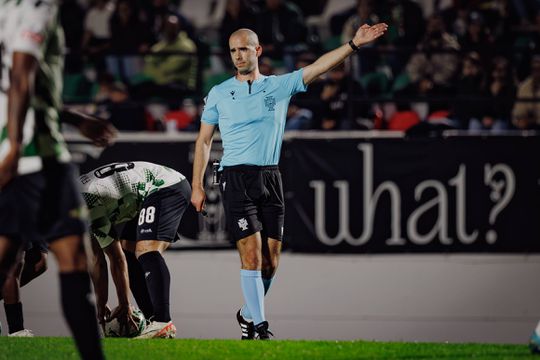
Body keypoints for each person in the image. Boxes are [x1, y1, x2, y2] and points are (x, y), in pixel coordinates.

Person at [191, 24, 387, 340]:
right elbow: (203, 141)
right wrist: (197, 185)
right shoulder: (218, 93)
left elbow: (319, 67)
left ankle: (247, 314)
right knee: (252, 256)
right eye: (233, 50)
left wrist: (353, 44)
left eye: (244, 49)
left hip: (270, 176)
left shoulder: (279, 86)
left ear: (258, 51)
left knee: (271, 261)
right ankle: (259, 327)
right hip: (235, 177)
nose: (238, 55)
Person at [0, 1, 114, 358]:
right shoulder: (37, 5)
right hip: (37, 157)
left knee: (9, 263)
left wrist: (73, 117)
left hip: (18, 153)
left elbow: (19, 83)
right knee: (74, 261)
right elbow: (21, 74)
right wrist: (16, 148)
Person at [80, 161, 191, 339]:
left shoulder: (86, 206)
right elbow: (97, 260)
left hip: (164, 186)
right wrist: (102, 304)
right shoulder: (78, 201)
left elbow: (114, 259)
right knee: (129, 250)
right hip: (146, 195)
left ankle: (163, 322)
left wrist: (124, 303)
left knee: (146, 249)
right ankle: (152, 321)